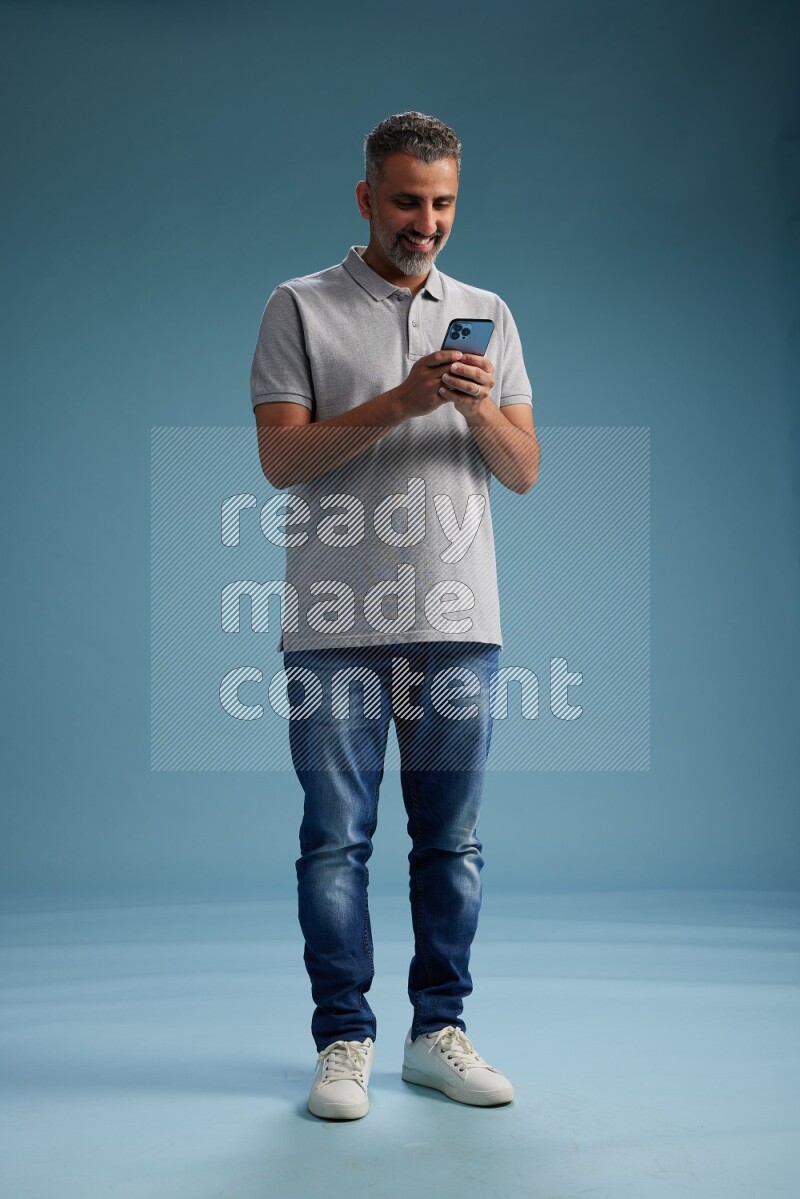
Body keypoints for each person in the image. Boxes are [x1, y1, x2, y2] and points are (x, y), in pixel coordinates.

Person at [250, 111, 539, 1120]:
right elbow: (280, 460)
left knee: (449, 843)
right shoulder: (300, 305)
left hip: (459, 616)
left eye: (443, 202)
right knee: (336, 840)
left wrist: (467, 405)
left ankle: (435, 1031)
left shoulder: (488, 312)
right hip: (333, 619)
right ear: (366, 197)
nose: (426, 221)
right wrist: (400, 400)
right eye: (408, 200)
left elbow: (523, 470)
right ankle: (343, 1039)